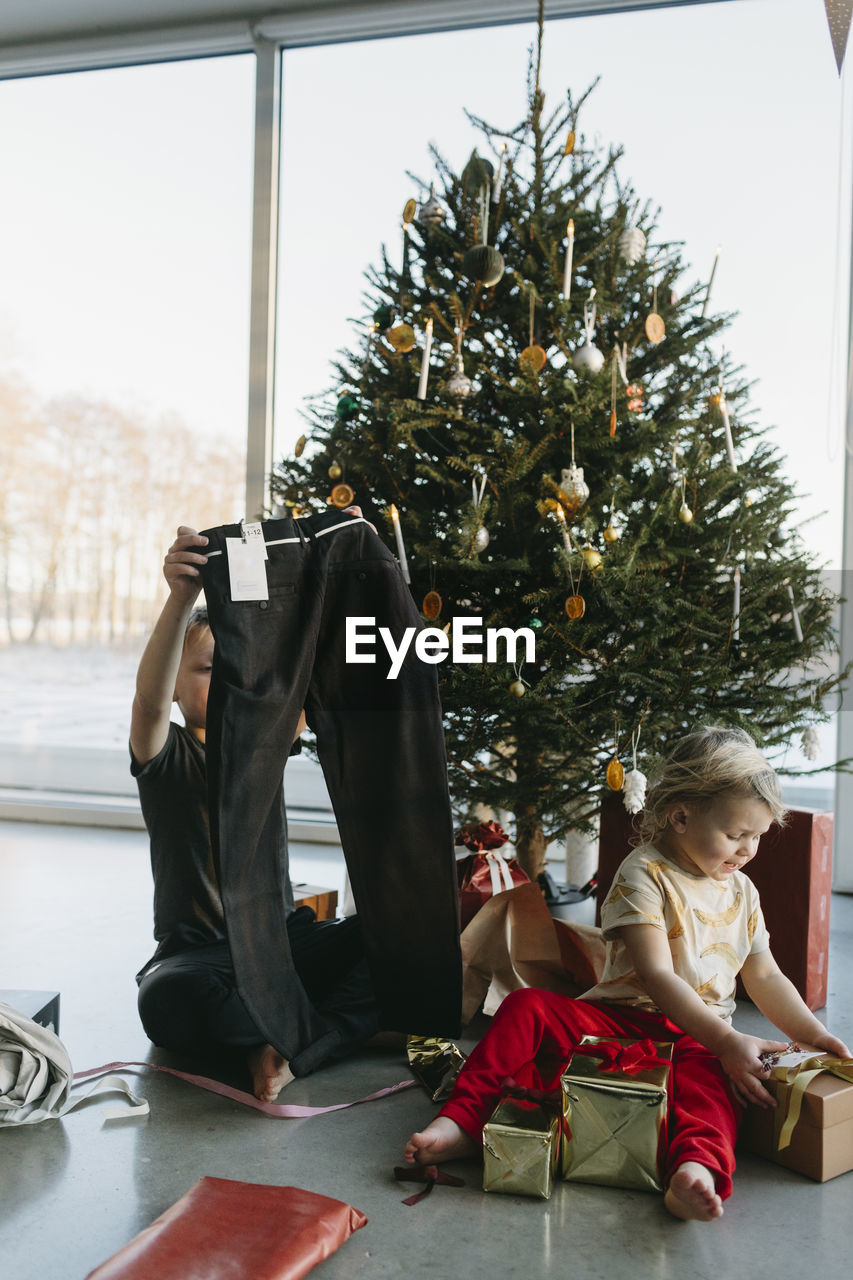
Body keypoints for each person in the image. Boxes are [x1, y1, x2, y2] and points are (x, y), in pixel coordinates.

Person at [403, 726, 851, 1221]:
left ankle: (694, 1172)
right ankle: (462, 1123)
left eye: (758, 837)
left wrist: (813, 1035)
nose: (747, 850)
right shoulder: (644, 873)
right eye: (735, 835)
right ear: (680, 817)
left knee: (716, 1092)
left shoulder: (742, 892)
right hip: (616, 1022)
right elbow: (658, 976)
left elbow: (765, 976)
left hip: (696, 1039)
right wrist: (727, 1041)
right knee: (525, 1007)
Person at [130, 523, 380, 1102]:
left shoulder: (267, 740)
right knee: (165, 1001)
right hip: (201, 956)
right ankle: (312, 1032)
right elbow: (147, 698)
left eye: (235, 672)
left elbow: (301, 666)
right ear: (176, 688)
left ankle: (288, 1038)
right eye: (209, 670)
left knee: (397, 938)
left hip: (281, 945)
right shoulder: (168, 754)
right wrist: (181, 598)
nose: (226, 684)